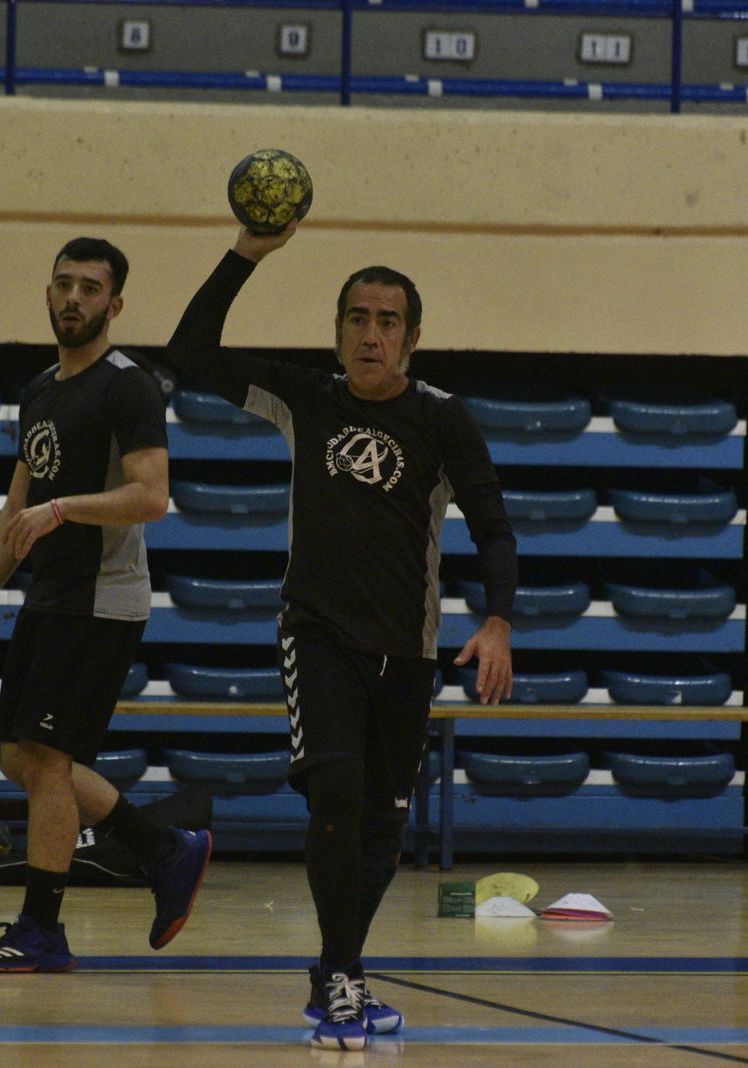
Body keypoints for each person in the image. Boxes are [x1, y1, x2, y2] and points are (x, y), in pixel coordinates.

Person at [163, 223, 516, 1049]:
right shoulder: (306, 398)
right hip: (316, 636)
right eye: (357, 318)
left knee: (383, 830)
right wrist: (247, 254)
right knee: (337, 794)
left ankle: (335, 972)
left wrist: (498, 619)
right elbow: (189, 351)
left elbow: (493, 526)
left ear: (413, 339)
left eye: (388, 321)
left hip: (409, 651)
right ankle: (345, 980)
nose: (370, 334)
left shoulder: (444, 419)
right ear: (337, 331)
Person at [0, 236, 211, 973]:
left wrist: (63, 509)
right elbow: (17, 511)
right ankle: (164, 848)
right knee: (20, 758)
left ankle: (41, 929)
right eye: (64, 284)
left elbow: (151, 496)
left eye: (90, 288)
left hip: (101, 598)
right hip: (51, 594)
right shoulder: (39, 389)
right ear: (47, 293)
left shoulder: (131, 385)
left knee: (49, 761)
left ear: (114, 305)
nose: (73, 297)